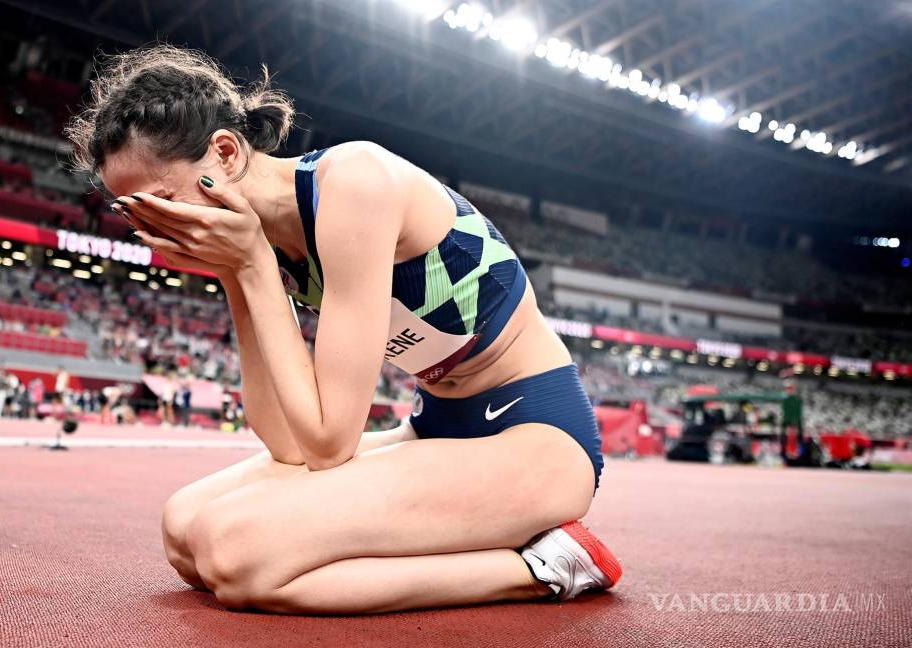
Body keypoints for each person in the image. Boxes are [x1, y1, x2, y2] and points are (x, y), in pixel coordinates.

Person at [65, 43, 618, 615]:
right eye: (140, 216)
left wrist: (252, 264)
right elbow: (286, 443)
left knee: (239, 555)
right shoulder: (263, 241)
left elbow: (328, 445)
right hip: (435, 430)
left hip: (535, 438)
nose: (161, 228)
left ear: (225, 153)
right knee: (183, 528)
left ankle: (543, 566)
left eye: (163, 202)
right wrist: (236, 271)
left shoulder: (353, 184)